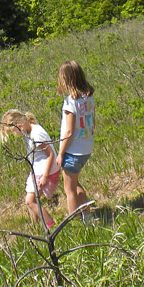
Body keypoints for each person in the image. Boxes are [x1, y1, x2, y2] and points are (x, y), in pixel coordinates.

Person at [0, 109, 61, 230]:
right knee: (31, 201)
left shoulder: (36, 134)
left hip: (44, 170)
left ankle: (51, 226)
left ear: (20, 125)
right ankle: (36, 226)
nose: (18, 134)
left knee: (29, 201)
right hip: (37, 169)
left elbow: (50, 155)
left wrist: (45, 176)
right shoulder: (28, 131)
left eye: (16, 131)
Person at [55, 60, 95, 220]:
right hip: (86, 148)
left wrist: (60, 153)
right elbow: (93, 123)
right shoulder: (89, 98)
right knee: (76, 185)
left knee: (69, 190)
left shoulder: (70, 102)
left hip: (72, 151)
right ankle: (87, 218)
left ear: (67, 80)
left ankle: (74, 222)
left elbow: (69, 131)